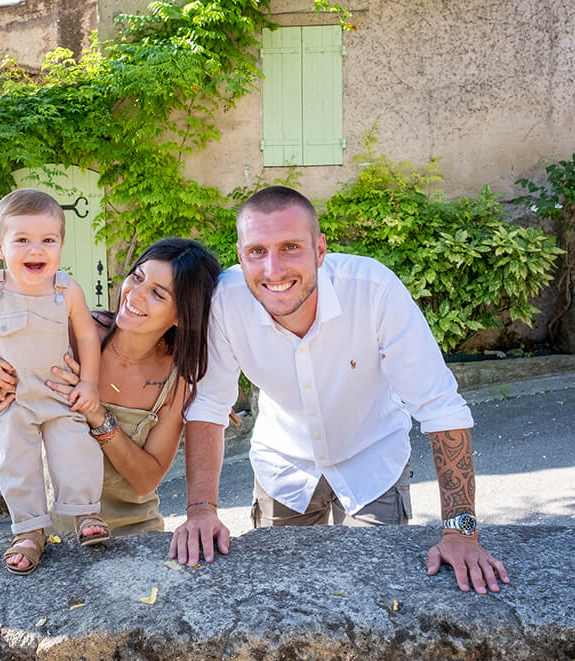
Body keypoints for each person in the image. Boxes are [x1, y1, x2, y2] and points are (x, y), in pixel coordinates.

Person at [168, 185, 510, 595]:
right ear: (241, 256)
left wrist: (461, 533)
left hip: (372, 462)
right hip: (283, 465)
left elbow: (440, 406)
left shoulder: (374, 290)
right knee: (281, 598)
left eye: (291, 247)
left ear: (320, 249)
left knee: (376, 595)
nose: (273, 270)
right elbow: (208, 403)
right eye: (257, 251)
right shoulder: (226, 300)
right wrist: (201, 510)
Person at [0, 237, 222, 574]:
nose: (135, 294)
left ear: (182, 317)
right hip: (58, 535)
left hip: (135, 533)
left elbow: (146, 480)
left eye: (158, 293)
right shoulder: (74, 336)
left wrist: (97, 415)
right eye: (138, 277)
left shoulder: (178, 378)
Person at [0, 188, 108, 575]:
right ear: (0, 246)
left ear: (61, 245)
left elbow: (88, 337)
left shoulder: (66, 288)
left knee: (76, 448)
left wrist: (88, 384)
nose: (35, 249)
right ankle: (29, 531)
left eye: (47, 240)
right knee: (17, 462)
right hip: (11, 398)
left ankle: (84, 514)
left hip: (58, 392)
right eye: (21, 239)